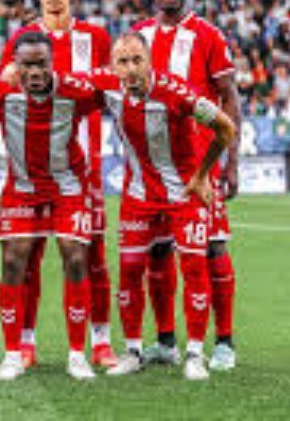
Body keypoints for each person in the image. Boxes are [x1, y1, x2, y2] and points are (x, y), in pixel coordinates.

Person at [92, 32, 236, 381]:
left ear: (150, 61)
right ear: (112, 66)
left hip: (183, 192)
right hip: (139, 194)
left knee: (195, 267)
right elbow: (60, 81)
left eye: (137, 60)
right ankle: (133, 352)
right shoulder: (105, 85)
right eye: (122, 62)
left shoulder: (177, 92)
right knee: (129, 270)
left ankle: (195, 355)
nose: (130, 69)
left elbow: (225, 127)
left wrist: (202, 175)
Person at [0, 0, 115, 368]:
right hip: (31, 168)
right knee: (27, 256)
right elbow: (6, 93)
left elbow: (110, 89)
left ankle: (100, 340)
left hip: (84, 166)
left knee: (91, 255)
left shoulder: (96, 38)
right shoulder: (22, 41)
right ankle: (25, 343)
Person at [0, 32, 101, 381]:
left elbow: (113, 92)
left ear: (52, 62)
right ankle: (13, 354)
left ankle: (77, 355)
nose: (35, 72)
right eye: (27, 65)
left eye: (42, 63)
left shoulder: (76, 90)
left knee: (75, 257)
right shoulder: (1, 90)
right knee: (14, 262)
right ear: (15, 65)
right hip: (22, 189)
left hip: (68, 187)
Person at [132, 0, 241, 370]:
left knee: (212, 247)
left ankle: (224, 342)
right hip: (151, 167)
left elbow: (230, 98)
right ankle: (165, 342)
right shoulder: (138, 36)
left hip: (198, 165)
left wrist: (231, 163)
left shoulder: (207, 35)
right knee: (158, 251)